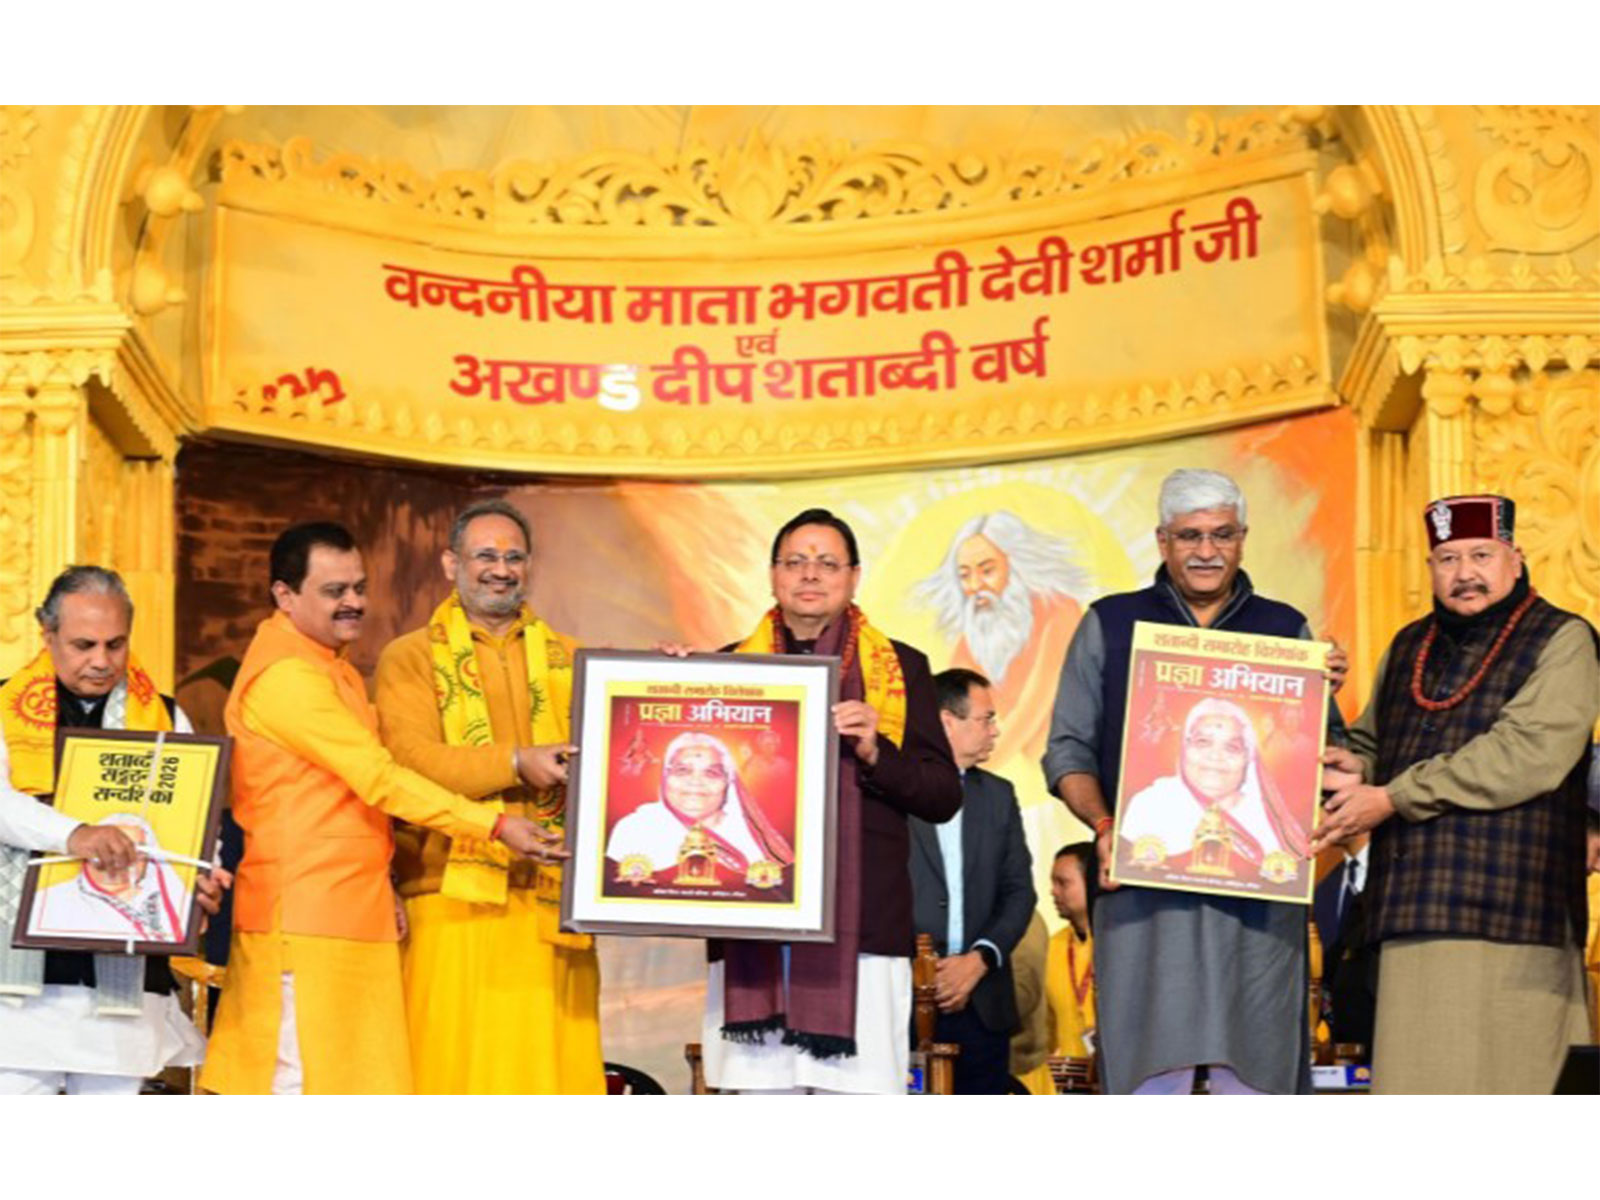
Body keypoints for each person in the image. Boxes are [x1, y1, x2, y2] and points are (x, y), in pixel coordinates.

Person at [201, 522, 557, 1094]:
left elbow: (345, 803)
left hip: (351, 912)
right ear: (284, 596)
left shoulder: (331, 666)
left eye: (359, 588)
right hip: (304, 917)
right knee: (300, 1087)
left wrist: (385, 878)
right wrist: (491, 824)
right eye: (334, 591)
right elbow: (380, 779)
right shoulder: (286, 678)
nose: (354, 604)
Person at [1042, 468, 1347, 1095]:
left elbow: (1326, 759)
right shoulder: (1111, 623)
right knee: (1154, 1076)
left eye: (1222, 534)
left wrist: (1318, 705)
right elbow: (1066, 750)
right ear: (1162, 541)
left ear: (1243, 539)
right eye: (1190, 536)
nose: (1206, 551)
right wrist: (1106, 827)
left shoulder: (1285, 630)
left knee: (1254, 1078)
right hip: (1145, 896)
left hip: (1258, 907)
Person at [1319, 494, 1599, 1093]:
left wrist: (1391, 797)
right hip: (1410, 910)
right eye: (1446, 559)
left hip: (1515, 916)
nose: (1464, 573)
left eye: (1480, 555)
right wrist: (1345, 760)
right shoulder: (1408, 644)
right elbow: (1374, 743)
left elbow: (1526, 754)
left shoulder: (1564, 638)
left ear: (1515, 559)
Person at [693, 507, 962, 1093]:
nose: (810, 574)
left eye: (827, 563)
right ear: (772, 575)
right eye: (796, 561)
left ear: (855, 576)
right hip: (754, 930)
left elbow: (942, 796)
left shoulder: (900, 668)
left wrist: (875, 750)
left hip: (862, 933)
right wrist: (660, 680)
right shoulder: (727, 667)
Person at [373, 499, 604, 1094]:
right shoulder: (411, 657)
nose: (500, 569)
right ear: (451, 563)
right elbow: (411, 766)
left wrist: (664, 683)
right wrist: (516, 762)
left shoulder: (577, 661)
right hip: (450, 901)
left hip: (553, 906)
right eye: (485, 556)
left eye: (514, 557)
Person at [0, 565, 225, 1095]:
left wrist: (201, 877)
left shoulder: (165, 716)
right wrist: (77, 835)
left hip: (123, 984)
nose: (101, 661)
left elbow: (191, 817)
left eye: (115, 644)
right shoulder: (3, 707)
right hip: (19, 983)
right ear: (47, 634)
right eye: (83, 644)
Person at [908, 668, 1035, 1094]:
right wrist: (925, 969)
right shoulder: (895, 788)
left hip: (983, 1000)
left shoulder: (999, 795)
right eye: (986, 719)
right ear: (947, 721)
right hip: (904, 996)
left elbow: (1020, 891)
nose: (996, 731)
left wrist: (979, 959)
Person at [913, 511, 1085, 766]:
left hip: (1063, 766)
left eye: (987, 571)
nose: (975, 585)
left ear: (1014, 565)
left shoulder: (1060, 611)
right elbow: (960, 722)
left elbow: (1034, 705)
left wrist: (980, 772)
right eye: (964, 575)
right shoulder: (970, 641)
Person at [1118, 697, 1310, 871]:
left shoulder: (1273, 820)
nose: (1215, 757)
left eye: (1232, 747)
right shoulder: (1150, 804)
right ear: (1184, 748)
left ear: (1248, 758)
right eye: (1203, 742)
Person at [605, 730, 794, 887]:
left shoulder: (754, 834)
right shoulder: (634, 828)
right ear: (664, 778)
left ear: (728, 782)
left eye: (711, 773)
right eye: (682, 771)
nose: (695, 782)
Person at [29, 813, 189, 943]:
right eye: (108, 849)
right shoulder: (49, 901)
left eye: (136, 850)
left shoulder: (177, 898)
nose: (121, 859)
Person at [1045, 842, 1097, 1059]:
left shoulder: (1119, 945)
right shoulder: (1052, 946)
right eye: (1053, 883)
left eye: (1063, 883)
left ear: (1091, 884)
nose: (1053, 891)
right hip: (1068, 1080)